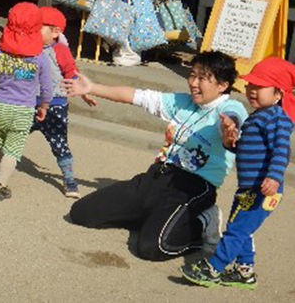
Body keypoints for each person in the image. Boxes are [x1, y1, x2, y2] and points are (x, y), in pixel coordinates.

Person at [62, 51, 248, 261]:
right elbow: (136, 96)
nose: (194, 83)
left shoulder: (230, 108)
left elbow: (234, 121)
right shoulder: (182, 101)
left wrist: (230, 129)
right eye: (192, 75)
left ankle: (203, 223)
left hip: (194, 188)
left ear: (223, 85)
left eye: (202, 78)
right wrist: (92, 88)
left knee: (154, 247)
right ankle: (154, 218)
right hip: (158, 176)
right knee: (82, 213)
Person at [180, 57, 295, 289]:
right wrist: (231, 141)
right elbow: (246, 149)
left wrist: (274, 176)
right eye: (250, 85)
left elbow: (282, 149)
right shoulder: (258, 116)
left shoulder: (277, 119)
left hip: (263, 188)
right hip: (249, 188)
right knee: (238, 227)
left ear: (278, 94)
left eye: (260, 87)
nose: (252, 91)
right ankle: (245, 272)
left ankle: (215, 268)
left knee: (236, 230)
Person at [0, 6, 97, 199]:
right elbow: (6, 54)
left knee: (59, 144)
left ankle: (69, 179)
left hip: (54, 106)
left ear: (55, 32)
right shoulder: (26, 47)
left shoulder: (59, 50)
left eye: (39, 28)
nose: (33, 31)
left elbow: (72, 72)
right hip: (26, 107)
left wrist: (85, 93)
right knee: (9, 140)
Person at [0, 2, 52, 201]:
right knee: (13, 149)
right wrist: (44, 105)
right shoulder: (40, 57)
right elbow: (47, 86)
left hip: (0, 105)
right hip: (24, 109)